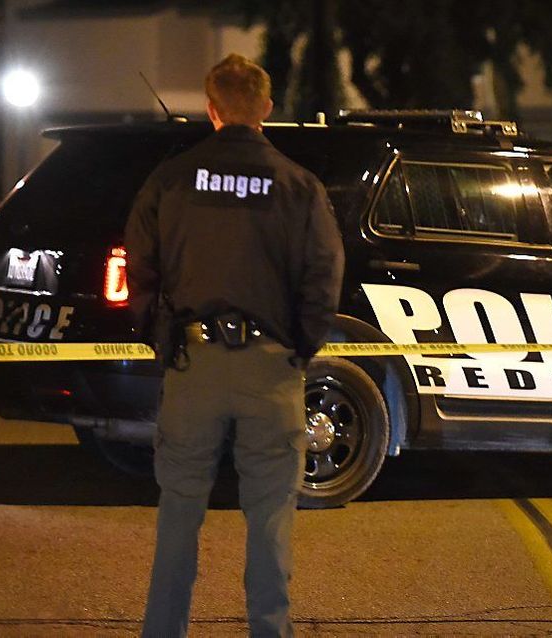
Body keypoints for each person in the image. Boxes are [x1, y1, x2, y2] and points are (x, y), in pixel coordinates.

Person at [125, 54, 345, 637]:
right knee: (271, 516)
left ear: (211, 109)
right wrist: (301, 344)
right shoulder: (299, 185)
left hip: (192, 364)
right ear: (267, 109)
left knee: (179, 512)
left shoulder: (171, 179)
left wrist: (160, 336)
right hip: (271, 369)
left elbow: (138, 261)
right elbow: (325, 274)